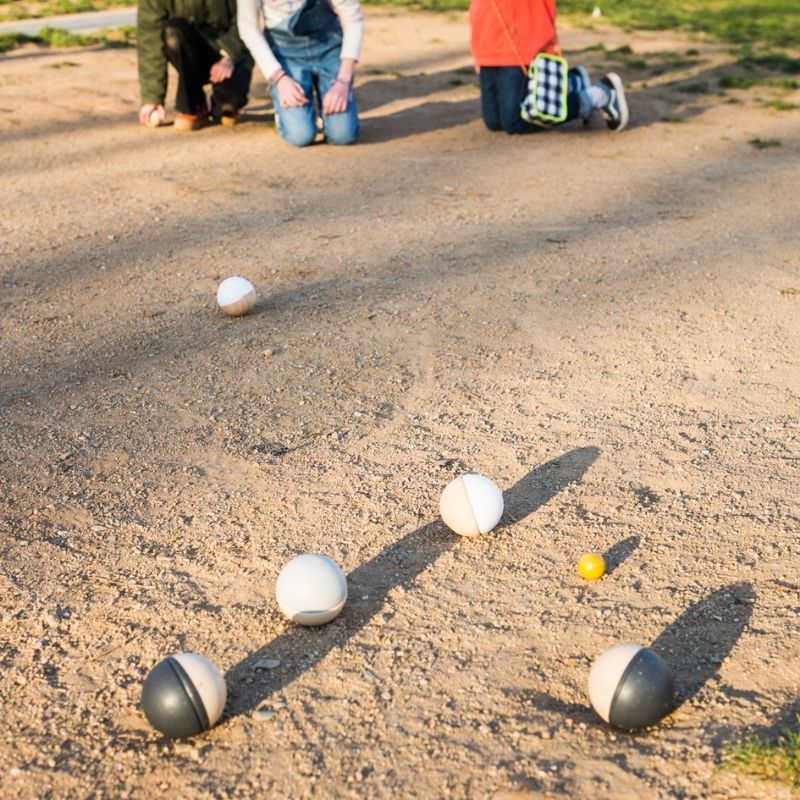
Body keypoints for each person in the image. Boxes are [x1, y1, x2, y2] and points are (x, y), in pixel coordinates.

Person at [469, 0, 628, 134]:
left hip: (519, 37)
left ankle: (599, 94)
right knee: (494, 121)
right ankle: (571, 84)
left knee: (514, 120)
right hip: (487, 37)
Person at [237, 0, 364, 147]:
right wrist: (279, 78)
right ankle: (287, 110)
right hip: (285, 52)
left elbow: (353, 21)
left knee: (343, 135)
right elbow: (247, 28)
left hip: (328, 46)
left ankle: (328, 114)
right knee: (300, 137)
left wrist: (343, 81)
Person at [137, 0, 253, 131]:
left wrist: (229, 55)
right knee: (173, 31)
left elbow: (249, 17)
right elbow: (150, 41)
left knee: (229, 104)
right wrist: (152, 98)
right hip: (191, 50)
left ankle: (223, 103)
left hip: (230, 49)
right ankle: (195, 105)